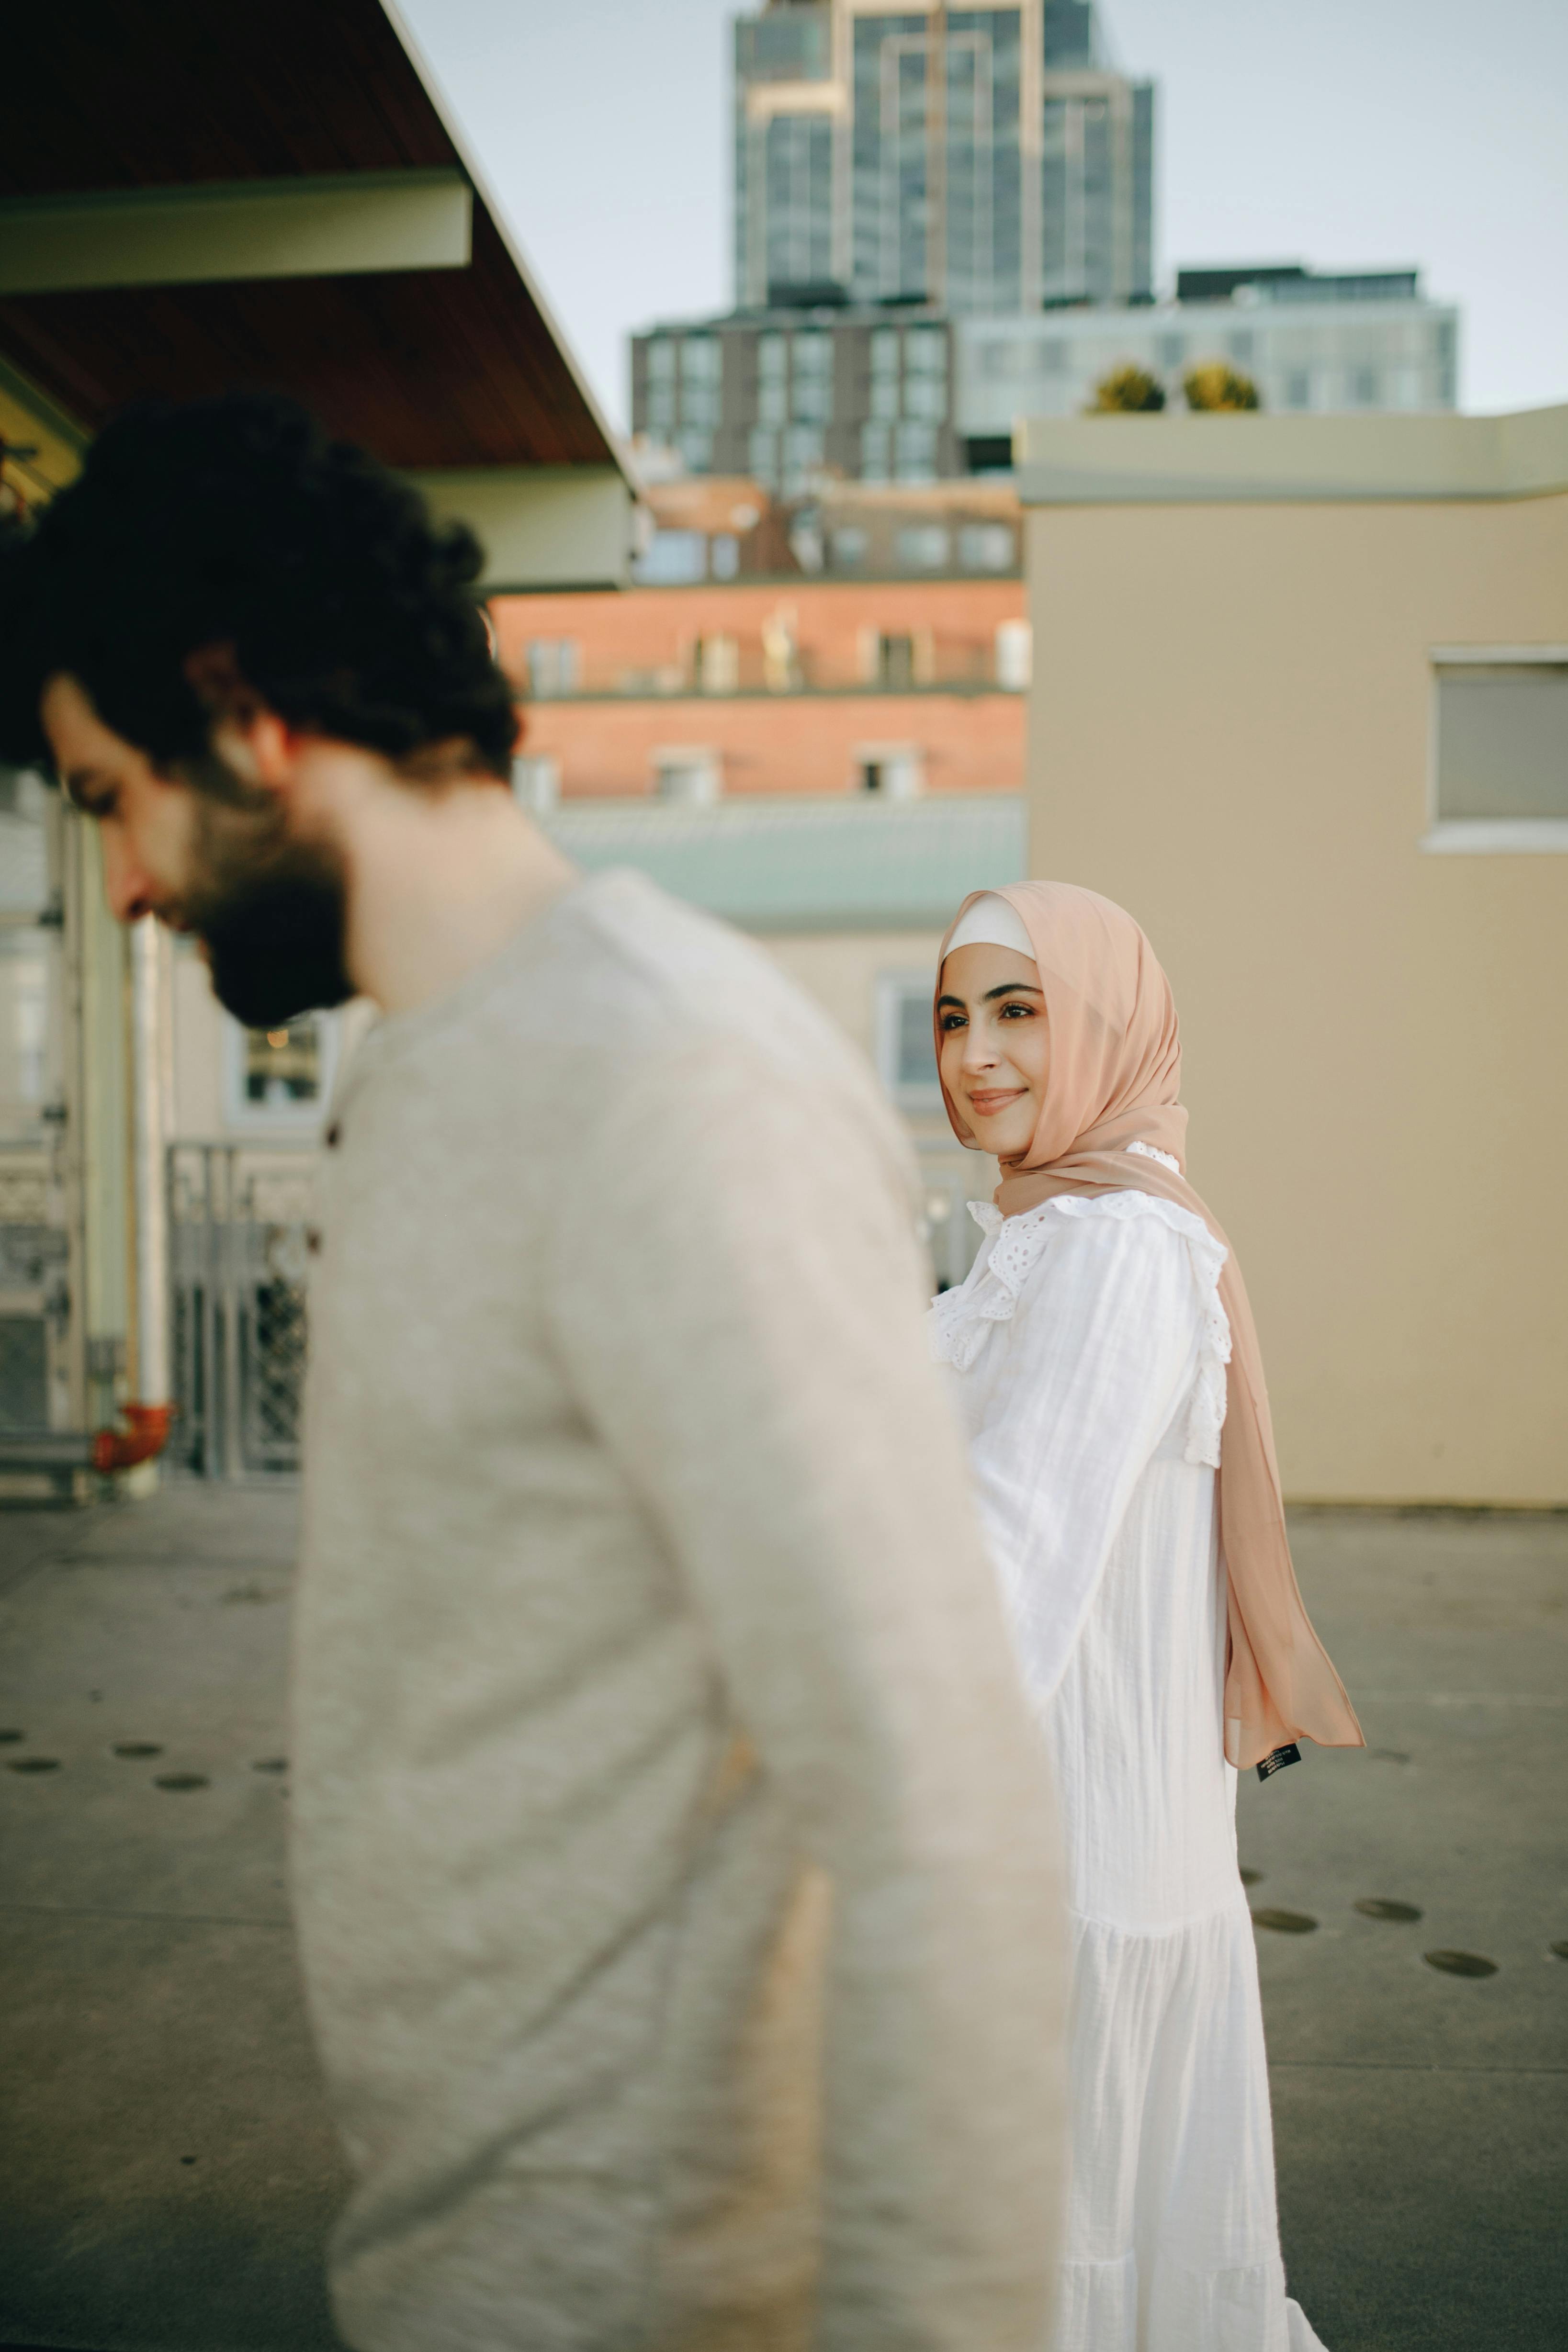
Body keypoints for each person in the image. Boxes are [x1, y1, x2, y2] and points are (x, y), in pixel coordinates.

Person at [0, 394, 1068, 2352]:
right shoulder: (424, 1064)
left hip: (644, 2278)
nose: (125, 887)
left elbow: (941, 1799)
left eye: (103, 795)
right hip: (465, 2247)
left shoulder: (665, 1080)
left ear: (238, 707)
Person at [930, 881, 1363, 2352]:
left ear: (1108, 1028)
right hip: (1051, 1832)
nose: (973, 1054)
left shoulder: (1117, 1247)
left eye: (1017, 1009)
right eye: (950, 1016)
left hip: (1073, 1849)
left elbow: (1017, 1542)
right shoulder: (1039, 1236)